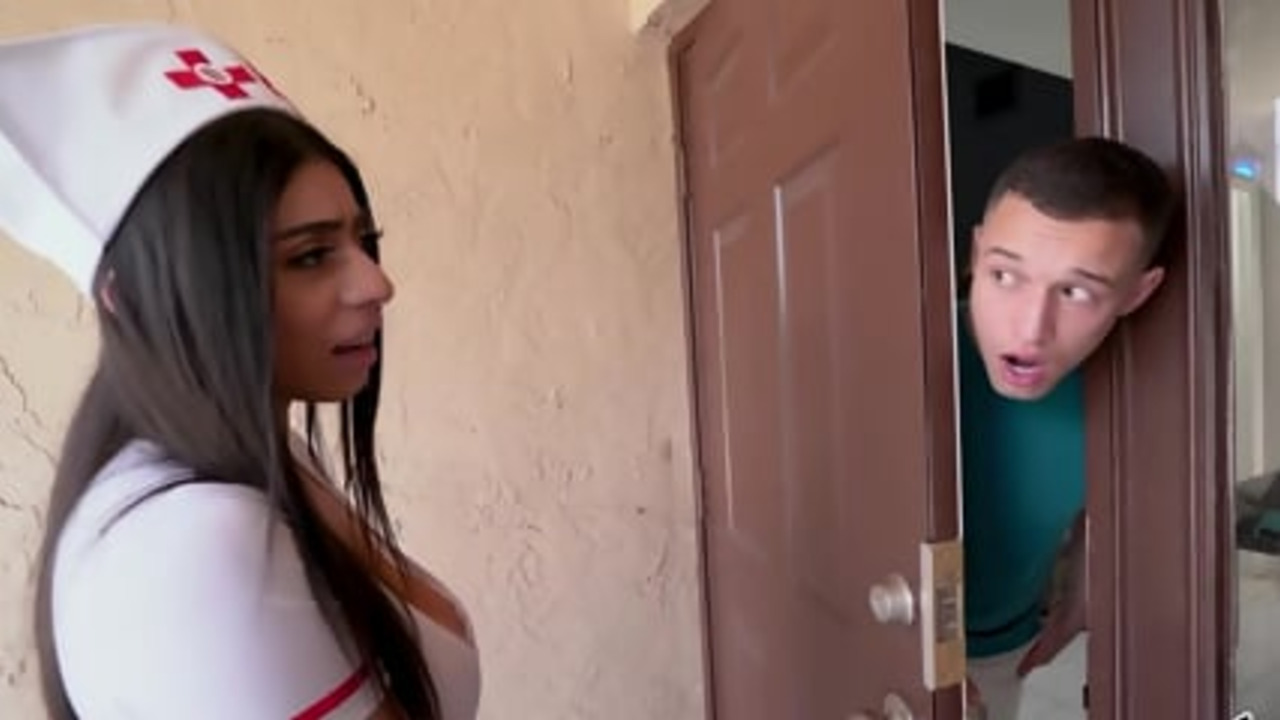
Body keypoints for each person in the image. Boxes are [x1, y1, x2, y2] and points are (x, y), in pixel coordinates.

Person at [0, 23, 480, 719]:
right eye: (310, 256)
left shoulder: (256, 457)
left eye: (363, 241)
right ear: (134, 298)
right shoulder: (192, 548)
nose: (377, 284)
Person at [958, 137, 1174, 718]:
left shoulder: (1125, 395)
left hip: (1007, 646)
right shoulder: (905, 362)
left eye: (1076, 292)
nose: (1030, 328)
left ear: (1137, 293)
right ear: (976, 253)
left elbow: (1097, 499)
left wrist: (1083, 589)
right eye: (1005, 275)